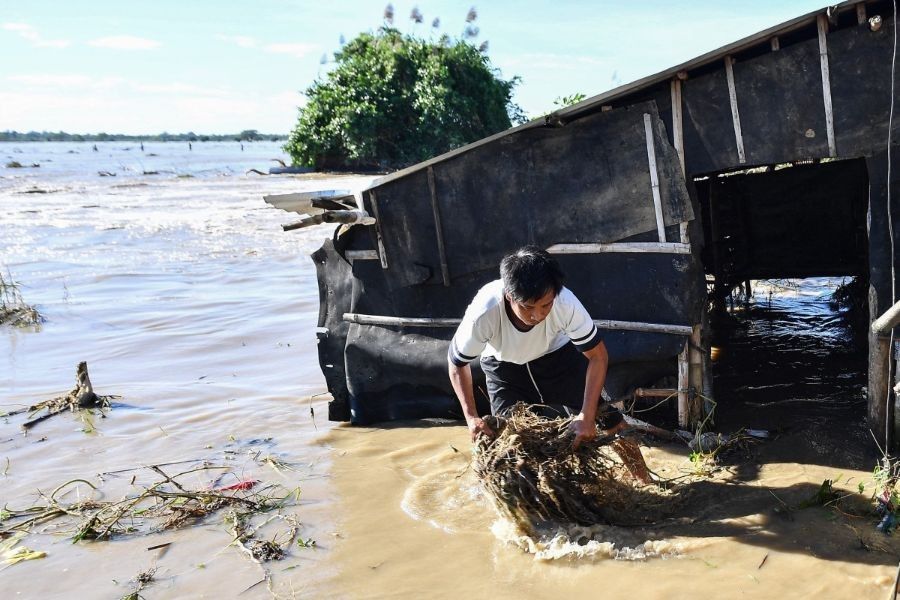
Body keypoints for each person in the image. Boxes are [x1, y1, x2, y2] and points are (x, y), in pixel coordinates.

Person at [447, 245, 651, 482]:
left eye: (546, 305)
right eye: (527, 307)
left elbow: (598, 356)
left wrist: (586, 415)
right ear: (509, 296)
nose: (538, 315)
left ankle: (646, 483)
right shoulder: (484, 313)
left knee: (609, 420)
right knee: (506, 445)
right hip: (504, 368)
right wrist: (471, 417)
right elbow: (456, 364)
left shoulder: (565, 303)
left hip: (557, 358)